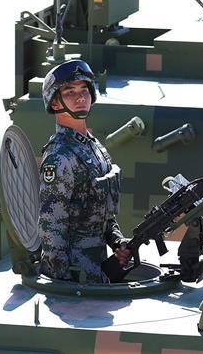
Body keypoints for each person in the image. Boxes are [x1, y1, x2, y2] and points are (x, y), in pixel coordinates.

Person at [39, 59, 129, 284]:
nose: (80, 97)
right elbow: (51, 227)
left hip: (99, 270)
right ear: (55, 102)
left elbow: (104, 213)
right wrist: (64, 284)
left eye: (84, 90)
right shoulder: (59, 157)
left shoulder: (94, 147)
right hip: (75, 277)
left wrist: (118, 242)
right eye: (70, 92)